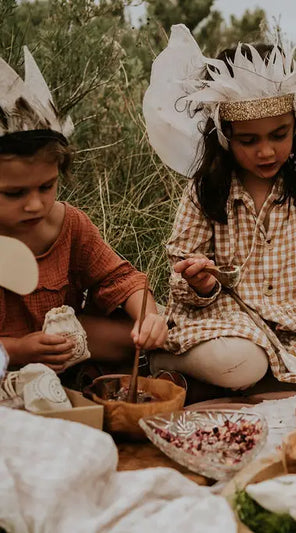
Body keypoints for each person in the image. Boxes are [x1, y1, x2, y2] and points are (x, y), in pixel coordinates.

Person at [143, 20, 296, 390]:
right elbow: (182, 266)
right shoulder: (206, 189)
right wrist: (201, 283)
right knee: (241, 363)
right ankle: (166, 358)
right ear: (225, 137)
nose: (266, 151)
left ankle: (263, 380)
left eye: (278, 134)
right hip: (230, 325)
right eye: (249, 141)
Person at [0, 47, 168, 374]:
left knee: (144, 336)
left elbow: (120, 278)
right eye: (14, 193)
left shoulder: (69, 224)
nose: (35, 204)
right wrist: (18, 350)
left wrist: (148, 317)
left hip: (63, 350)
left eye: (46, 187)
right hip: (7, 360)